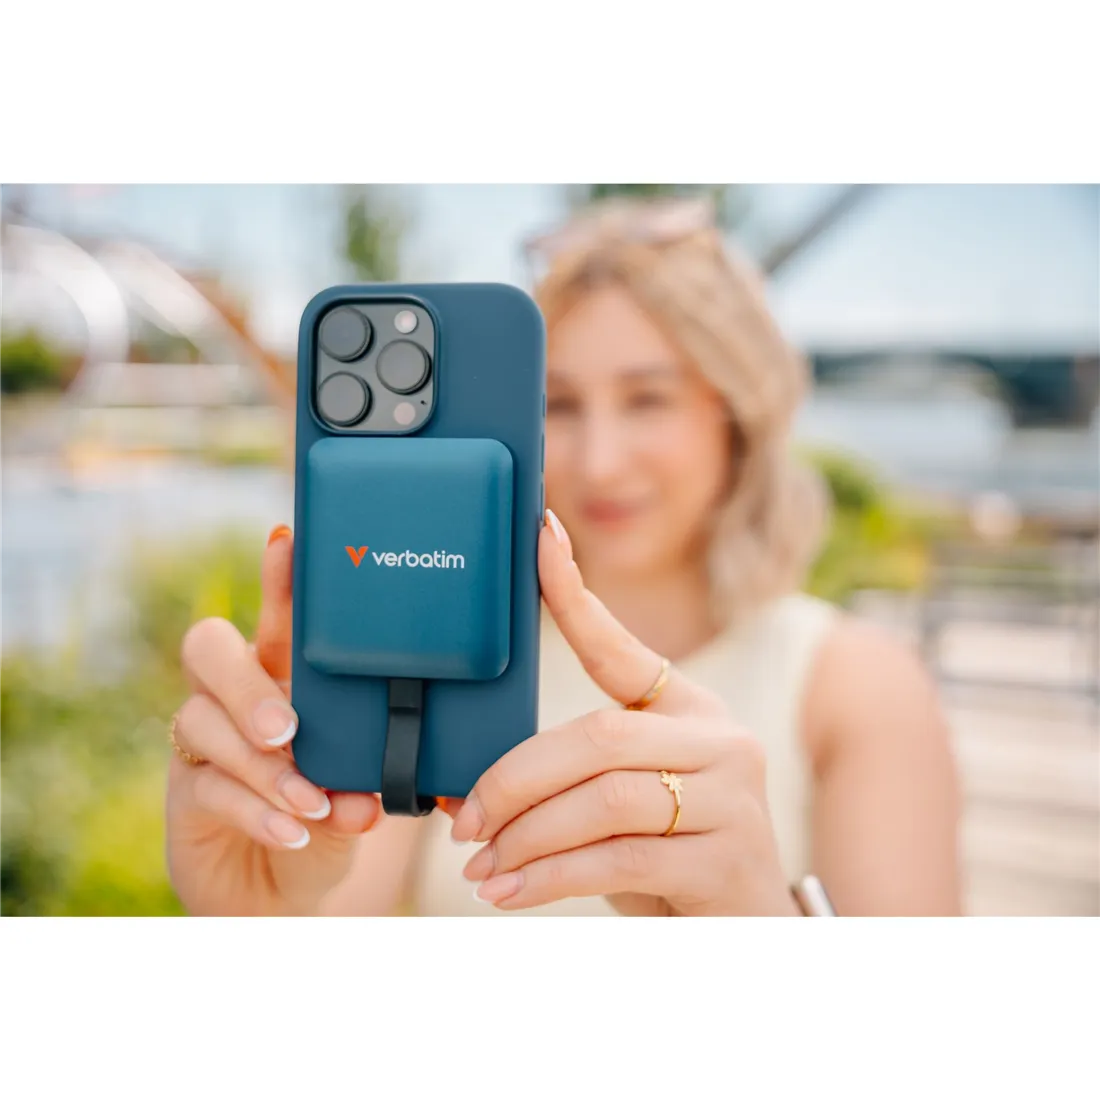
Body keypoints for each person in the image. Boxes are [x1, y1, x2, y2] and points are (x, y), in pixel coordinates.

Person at [165, 197, 962, 917]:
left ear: (738, 418)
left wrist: (757, 920)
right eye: (559, 406)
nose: (601, 463)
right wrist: (252, 915)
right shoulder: (451, 648)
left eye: (648, 399)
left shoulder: (855, 683)